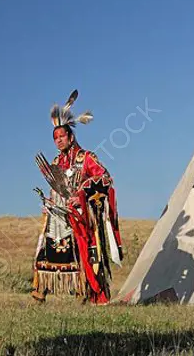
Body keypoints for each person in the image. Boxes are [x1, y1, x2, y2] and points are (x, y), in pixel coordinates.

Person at [31, 90, 123, 305]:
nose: (58, 141)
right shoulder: (56, 161)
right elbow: (56, 188)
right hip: (57, 216)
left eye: (62, 137)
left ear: (71, 137)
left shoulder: (86, 158)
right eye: (55, 138)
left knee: (80, 254)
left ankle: (83, 291)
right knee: (46, 250)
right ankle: (40, 290)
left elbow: (105, 179)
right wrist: (49, 203)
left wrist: (81, 194)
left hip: (79, 217)